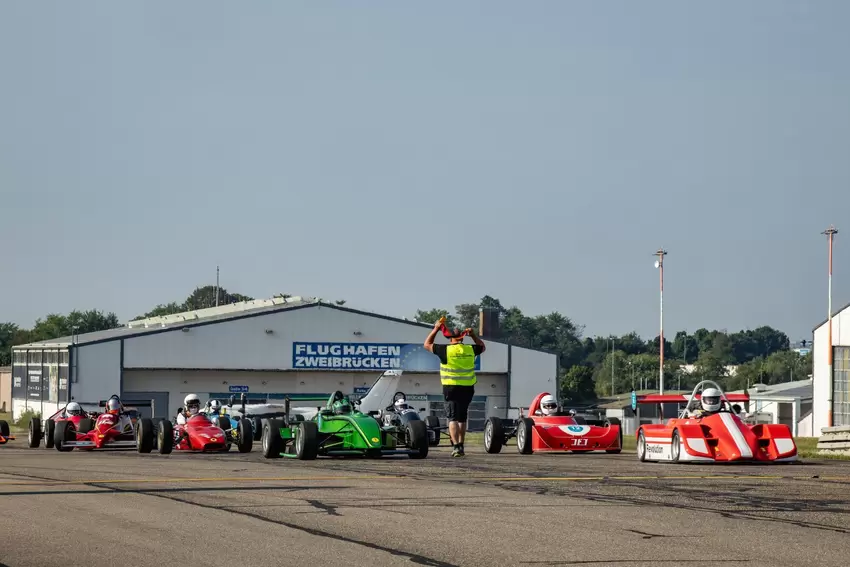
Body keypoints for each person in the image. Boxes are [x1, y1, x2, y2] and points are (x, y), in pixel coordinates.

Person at [424, 318, 486, 457]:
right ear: (463, 337)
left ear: (450, 337)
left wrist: (435, 329)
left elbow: (427, 344)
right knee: (462, 418)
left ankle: (456, 447)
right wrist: (474, 335)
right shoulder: (470, 349)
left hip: (450, 388)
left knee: (452, 418)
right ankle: (462, 445)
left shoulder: (445, 350)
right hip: (467, 388)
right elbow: (482, 346)